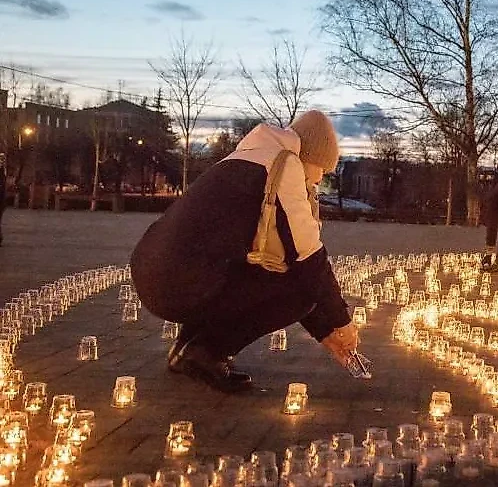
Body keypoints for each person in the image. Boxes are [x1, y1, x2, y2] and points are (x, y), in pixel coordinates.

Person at [130, 110, 358, 393]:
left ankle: (186, 350)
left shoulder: (247, 158)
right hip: (181, 285)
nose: (319, 180)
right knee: (298, 293)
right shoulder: (284, 166)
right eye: (323, 170)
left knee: (248, 267)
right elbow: (308, 258)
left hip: (154, 274)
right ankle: (207, 352)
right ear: (310, 157)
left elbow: (284, 262)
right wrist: (341, 321)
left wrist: (324, 332)